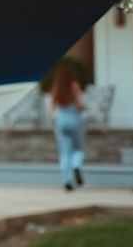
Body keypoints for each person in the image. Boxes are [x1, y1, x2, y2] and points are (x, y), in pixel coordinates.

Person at [49, 62, 86, 191]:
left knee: (65, 153)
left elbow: (52, 107)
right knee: (78, 149)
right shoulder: (74, 85)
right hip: (74, 119)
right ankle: (76, 166)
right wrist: (83, 108)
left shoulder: (56, 87)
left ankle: (67, 181)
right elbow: (80, 105)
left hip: (61, 120)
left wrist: (54, 119)